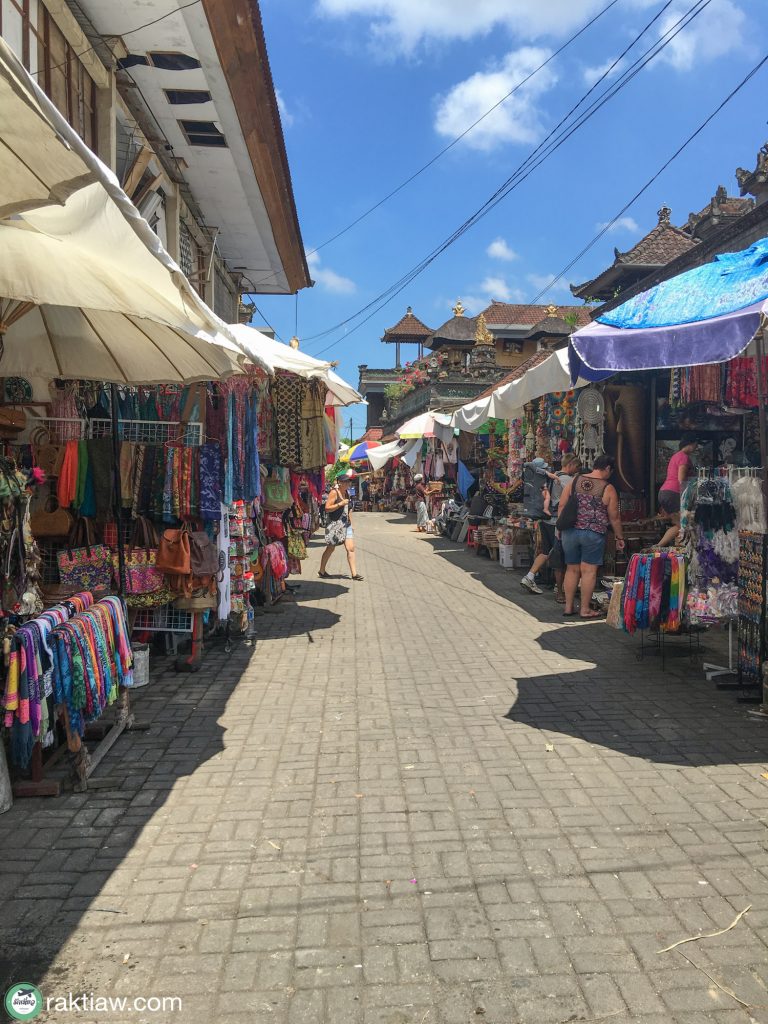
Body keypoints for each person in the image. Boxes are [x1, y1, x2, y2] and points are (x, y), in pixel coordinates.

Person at [558, 455, 625, 619]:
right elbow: (614, 517)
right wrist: (619, 537)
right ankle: (585, 609)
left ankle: (568, 607)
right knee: (588, 572)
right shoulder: (607, 488)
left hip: (570, 532)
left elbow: (562, 505)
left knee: (572, 569)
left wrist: (560, 529)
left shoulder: (575, 481)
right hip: (593, 533)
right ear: (608, 468)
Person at [520, 455, 581, 601]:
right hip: (556, 523)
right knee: (559, 556)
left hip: (545, 520)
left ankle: (530, 576)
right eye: (577, 467)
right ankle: (560, 590)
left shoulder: (550, 477)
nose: (577, 470)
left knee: (547, 552)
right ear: (571, 464)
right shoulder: (566, 480)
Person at [319, 469, 364, 580]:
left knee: (351, 548)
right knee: (330, 548)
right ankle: (321, 570)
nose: (347, 484)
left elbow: (348, 510)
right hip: (335, 525)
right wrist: (340, 503)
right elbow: (327, 508)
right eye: (345, 482)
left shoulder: (347, 493)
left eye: (348, 482)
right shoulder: (334, 492)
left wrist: (351, 524)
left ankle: (354, 574)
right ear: (340, 483)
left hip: (346, 524)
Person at [658, 434, 698, 546]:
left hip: (665, 492)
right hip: (673, 493)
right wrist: (687, 497)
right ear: (690, 444)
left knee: (680, 524)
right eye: (696, 444)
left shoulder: (676, 456)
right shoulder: (684, 457)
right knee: (686, 523)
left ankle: (658, 546)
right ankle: (686, 549)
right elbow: (681, 479)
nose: (696, 447)